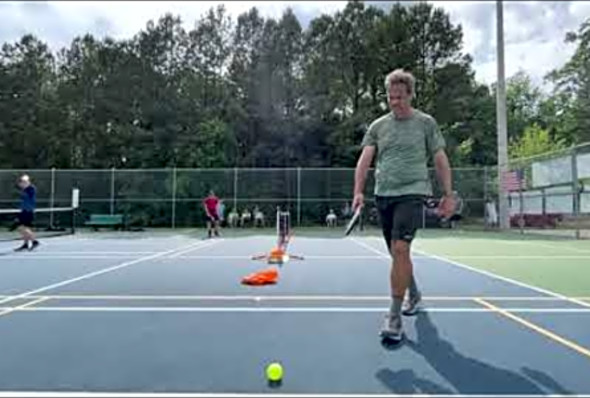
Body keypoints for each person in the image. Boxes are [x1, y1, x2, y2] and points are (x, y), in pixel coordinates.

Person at [352, 69, 455, 342]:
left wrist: (448, 193)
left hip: (413, 193)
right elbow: (365, 161)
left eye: (399, 97)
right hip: (384, 195)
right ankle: (415, 293)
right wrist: (358, 192)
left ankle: (394, 317)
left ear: (410, 94)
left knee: (400, 248)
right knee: (396, 254)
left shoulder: (426, 123)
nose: (394, 102)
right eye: (390, 97)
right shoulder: (378, 126)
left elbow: (440, 158)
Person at [15, 174, 40, 252]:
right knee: (24, 228)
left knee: (22, 227)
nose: (20, 184)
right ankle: (25, 244)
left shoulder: (31, 189)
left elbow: (28, 196)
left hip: (28, 211)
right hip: (24, 211)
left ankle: (34, 241)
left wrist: (24, 185)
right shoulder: (25, 190)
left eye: (22, 182)